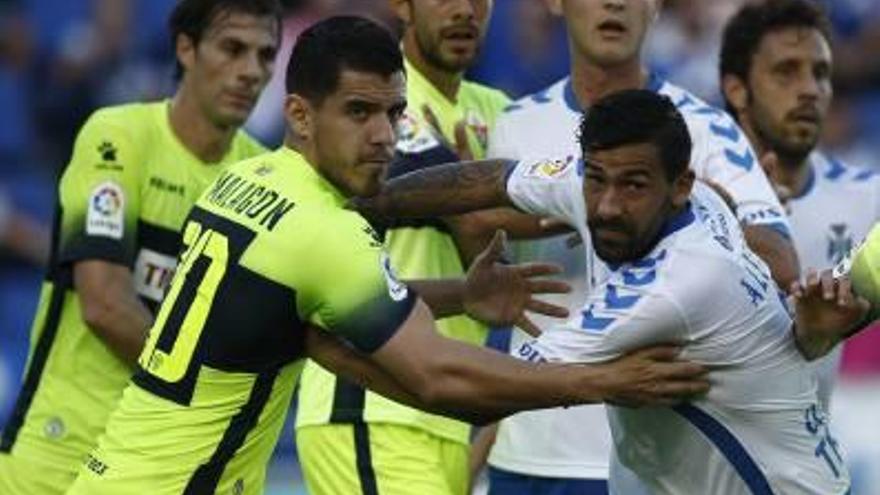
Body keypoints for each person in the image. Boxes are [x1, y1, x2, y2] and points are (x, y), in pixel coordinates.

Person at [63, 16, 710, 495]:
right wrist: (602, 382)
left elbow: (308, 324)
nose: (382, 135)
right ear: (299, 113)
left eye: (394, 113)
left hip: (120, 473)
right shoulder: (324, 229)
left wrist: (462, 297)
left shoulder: (249, 181)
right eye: (359, 112)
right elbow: (439, 377)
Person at [352, 89, 868, 495]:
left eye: (634, 187)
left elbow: (467, 393)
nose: (606, 207)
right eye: (596, 179)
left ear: (681, 185)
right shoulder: (663, 194)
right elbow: (495, 178)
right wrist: (371, 208)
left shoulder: (675, 287)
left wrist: (322, 343)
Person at [466, 0, 800, 492]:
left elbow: (780, 263)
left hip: (657, 464)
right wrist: (583, 210)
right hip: (531, 448)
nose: (614, 3)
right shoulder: (515, 124)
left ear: (657, 7)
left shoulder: (704, 128)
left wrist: (693, 212)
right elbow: (477, 241)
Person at [0, 1, 281, 493]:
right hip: (62, 452)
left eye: (265, 55)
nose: (250, 72)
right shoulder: (119, 136)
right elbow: (105, 305)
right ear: (185, 48)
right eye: (233, 49)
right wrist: (200, 395)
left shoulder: (265, 177)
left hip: (168, 467)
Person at [294, 1, 513, 494]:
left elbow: (503, 267)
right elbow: (479, 230)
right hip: (370, 408)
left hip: (445, 418)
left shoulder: (500, 111)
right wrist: (478, 195)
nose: (464, 11)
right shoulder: (376, 97)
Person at [719, 0, 880, 412]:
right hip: (673, 470)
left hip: (802, 470)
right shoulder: (684, 194)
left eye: (821, 73)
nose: (810, 89)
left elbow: (819, 333)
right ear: (737, 89)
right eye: (786, 71)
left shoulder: (867, 198)